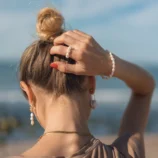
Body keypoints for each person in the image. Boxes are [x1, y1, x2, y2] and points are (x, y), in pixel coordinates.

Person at [16, 7, 155, 158]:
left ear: (29, 93)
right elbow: (145, 88)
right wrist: (107, 63)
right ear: (91, 84)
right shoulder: (125, 153)